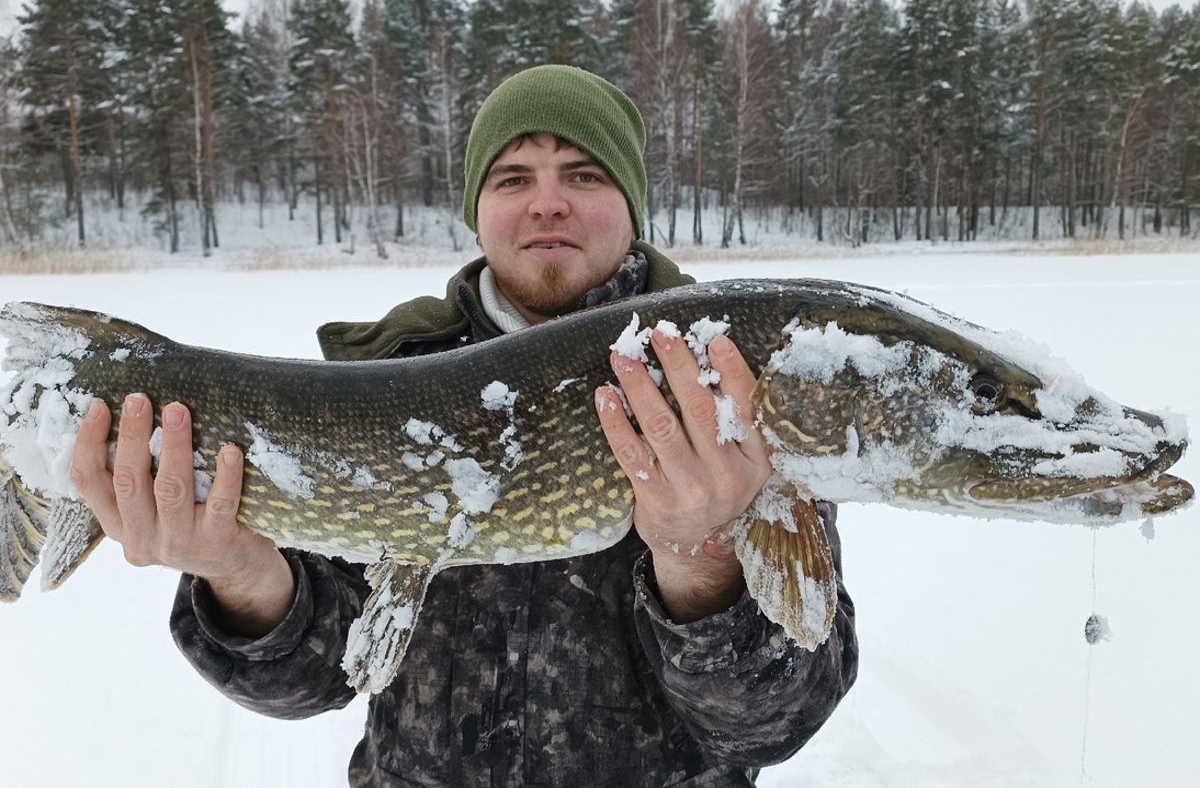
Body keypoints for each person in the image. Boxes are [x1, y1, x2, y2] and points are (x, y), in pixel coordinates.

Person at [70, 65, 857, 787]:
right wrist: (240, 576)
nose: (547, 201)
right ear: (478, 212)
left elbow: (771, 723)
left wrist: (704, 561)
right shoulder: (383, 377)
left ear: (632, 206)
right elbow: (316, 680)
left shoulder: (723, 373)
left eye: (582, 174)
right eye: (513, 178)